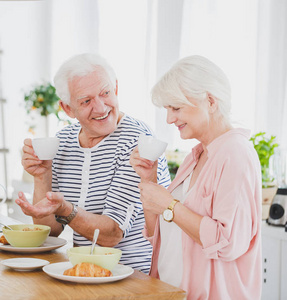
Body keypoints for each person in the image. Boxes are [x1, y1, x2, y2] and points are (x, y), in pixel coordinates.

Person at [15, 53, 171, 274]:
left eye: (105, 93)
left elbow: (112, 234)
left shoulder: (137, 140)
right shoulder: (64, 141)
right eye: (86, 101)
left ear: (115, 88)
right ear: (68, 108)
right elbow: (50, 231)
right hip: (86, 274)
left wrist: (66, 210)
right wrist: (42, 176)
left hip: (137, 280)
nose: (100, 108)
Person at [130, 55, 262, 299]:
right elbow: (162, 233)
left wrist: (169, 205)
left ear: (210, 101)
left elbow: (229, 242)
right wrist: (149, 182)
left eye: (176, 108)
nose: (169, 119)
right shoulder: (196, 156)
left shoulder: (235, 153)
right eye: (168, 109)